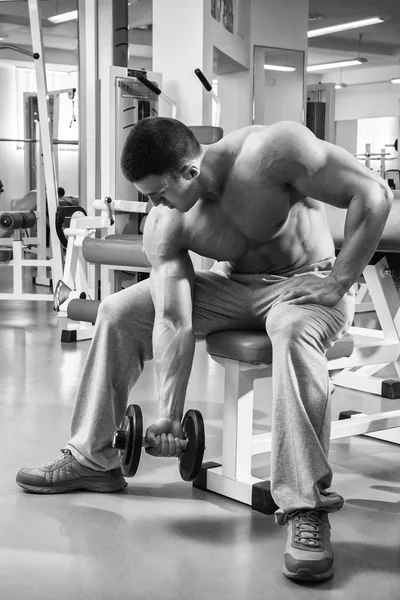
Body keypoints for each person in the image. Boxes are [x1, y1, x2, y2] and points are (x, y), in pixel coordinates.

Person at [16, 118, 392, 582]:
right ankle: (93, 458)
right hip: (235, 286)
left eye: (158, 193)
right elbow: (174, 318)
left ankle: (305, 508)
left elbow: (373, 194)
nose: (152, 206)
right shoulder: (167, 222)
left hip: (306, 284)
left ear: (190, 173)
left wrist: (339, 280)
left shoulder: (273, 152)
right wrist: (170, 414)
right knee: (119, 310)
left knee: (292, 331)